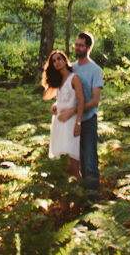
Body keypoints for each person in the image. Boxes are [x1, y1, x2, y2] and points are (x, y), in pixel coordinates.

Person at [69, 31, 105, 201]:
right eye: (76, 44)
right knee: (77, 164)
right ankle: (81, 201)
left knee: (90, 163)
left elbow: (95, 100)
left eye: (81, 45)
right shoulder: (72, 68)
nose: (77, 48)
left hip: (88, 121)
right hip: (72, 123)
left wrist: (76, 110)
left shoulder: (95, 70)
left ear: (89, 47)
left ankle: (93, 203)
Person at [42, 49, 85, 181]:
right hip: (59, 124)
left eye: (59, 59)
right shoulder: (59, 81)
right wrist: (56, 105)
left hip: (71, 123)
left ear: (65, 60)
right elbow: (46, 96)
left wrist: (78, 123)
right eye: (53, 61)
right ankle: (67, 199)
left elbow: (81, 100)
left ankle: (81, 197)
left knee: (72, 165)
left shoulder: (74, 78)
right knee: (62, 165)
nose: (56, 62)